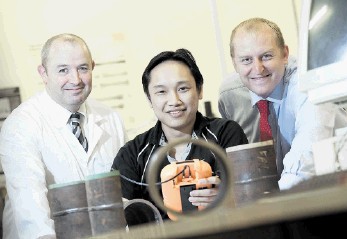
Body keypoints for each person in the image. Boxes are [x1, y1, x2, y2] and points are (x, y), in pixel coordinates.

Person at [0, 33, 127, 239]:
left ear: (93, 67)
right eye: (63, 70)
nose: (75, 79)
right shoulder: (21, 125)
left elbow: (123, 193)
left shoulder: (111, 117)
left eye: (83, 68)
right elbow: (32, 214)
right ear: (43, 73)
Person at [112, 48, 248, 220]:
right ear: (149, 99)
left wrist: (225, 199)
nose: (174, 101)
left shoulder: (225, 134)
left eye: (183, 88)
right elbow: (119, 216)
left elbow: (250, 196)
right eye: (161, 92)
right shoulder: (132, 154)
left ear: (199, 90)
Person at [218, 17, 347, 190]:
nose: (258, 69)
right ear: (234, 63)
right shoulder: (230, 96)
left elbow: (305, 162)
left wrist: (271, 207)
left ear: (285, 54)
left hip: (337, 187)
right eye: (246, 60)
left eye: (266, 56)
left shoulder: (307, 85)